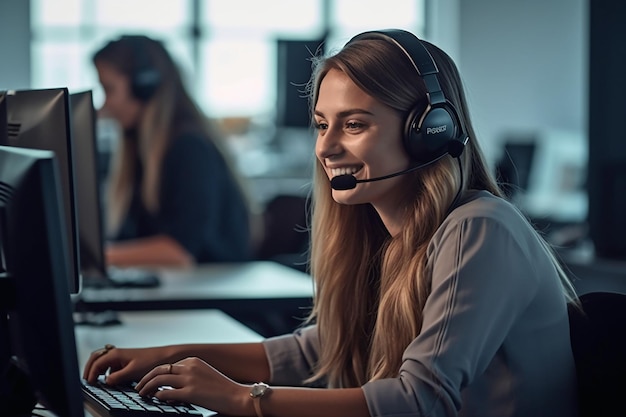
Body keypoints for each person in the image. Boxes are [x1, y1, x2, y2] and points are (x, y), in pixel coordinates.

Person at [83, 29, 580, 416]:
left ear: (430, 131)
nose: (325, 147)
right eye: (322, 124)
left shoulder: (480, 229)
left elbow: (418, 401)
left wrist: (241, 399)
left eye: (355, 124)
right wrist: (171, 356)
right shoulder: (386, 235)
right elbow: (315, 350)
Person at [92, 34, 253, 267]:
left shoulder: (189, 148)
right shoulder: (142, 150)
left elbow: (180, 251)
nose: (104, 105)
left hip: (210, 291)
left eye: (109, 89)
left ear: (143, 86)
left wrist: (96, 257)